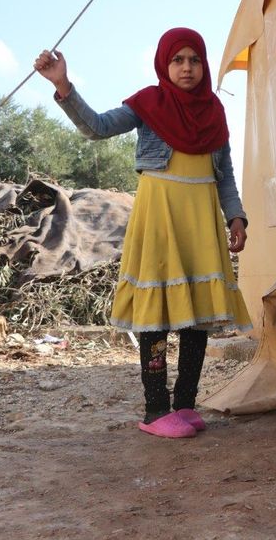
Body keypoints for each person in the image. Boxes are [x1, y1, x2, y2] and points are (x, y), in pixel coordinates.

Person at [34, 27, 252, 439]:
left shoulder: (214, 113)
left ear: (203, 65)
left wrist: (236, 217)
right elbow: (96, 127)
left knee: (198, 314)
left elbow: (225, 177)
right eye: (177, 60)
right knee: (156, 309)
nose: (186, 68)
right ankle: (155, 410)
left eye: (194, 60)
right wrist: (63, 85)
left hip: (201, 217)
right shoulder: (148, 104)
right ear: (164, 64)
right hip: (161, 215)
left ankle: (185, 404)